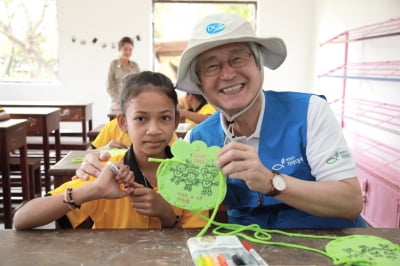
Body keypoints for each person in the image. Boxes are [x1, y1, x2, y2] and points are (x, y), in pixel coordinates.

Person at [75, 14, 365, 229]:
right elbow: (167, 184)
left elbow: (351, 202)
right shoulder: (198, 140)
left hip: (333, 248)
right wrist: (99, 162)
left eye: (237, 59)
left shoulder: (309, 111)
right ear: (200, 83)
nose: (227, 74)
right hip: (246, 253)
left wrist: (272, 182)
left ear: (258, 64)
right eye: (212, 66)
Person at [13, 71, 208, 230]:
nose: (154, 130)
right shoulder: (106, 171)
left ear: (175, 121)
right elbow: (21, 219)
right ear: (123, 123)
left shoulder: (192, 175)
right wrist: (94, 190)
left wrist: (167, 216)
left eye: (164, 118)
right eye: (141, 118)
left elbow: (195, 246)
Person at [107, 36, 140, 112]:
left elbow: (140, 85)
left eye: (130, 50)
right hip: (117, 102)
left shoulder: (135, 66)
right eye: (125, 49)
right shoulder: (114, 64)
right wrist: (121, 100)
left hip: (132, 101)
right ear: (119, 49)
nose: (128, 52)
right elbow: (109, 87)